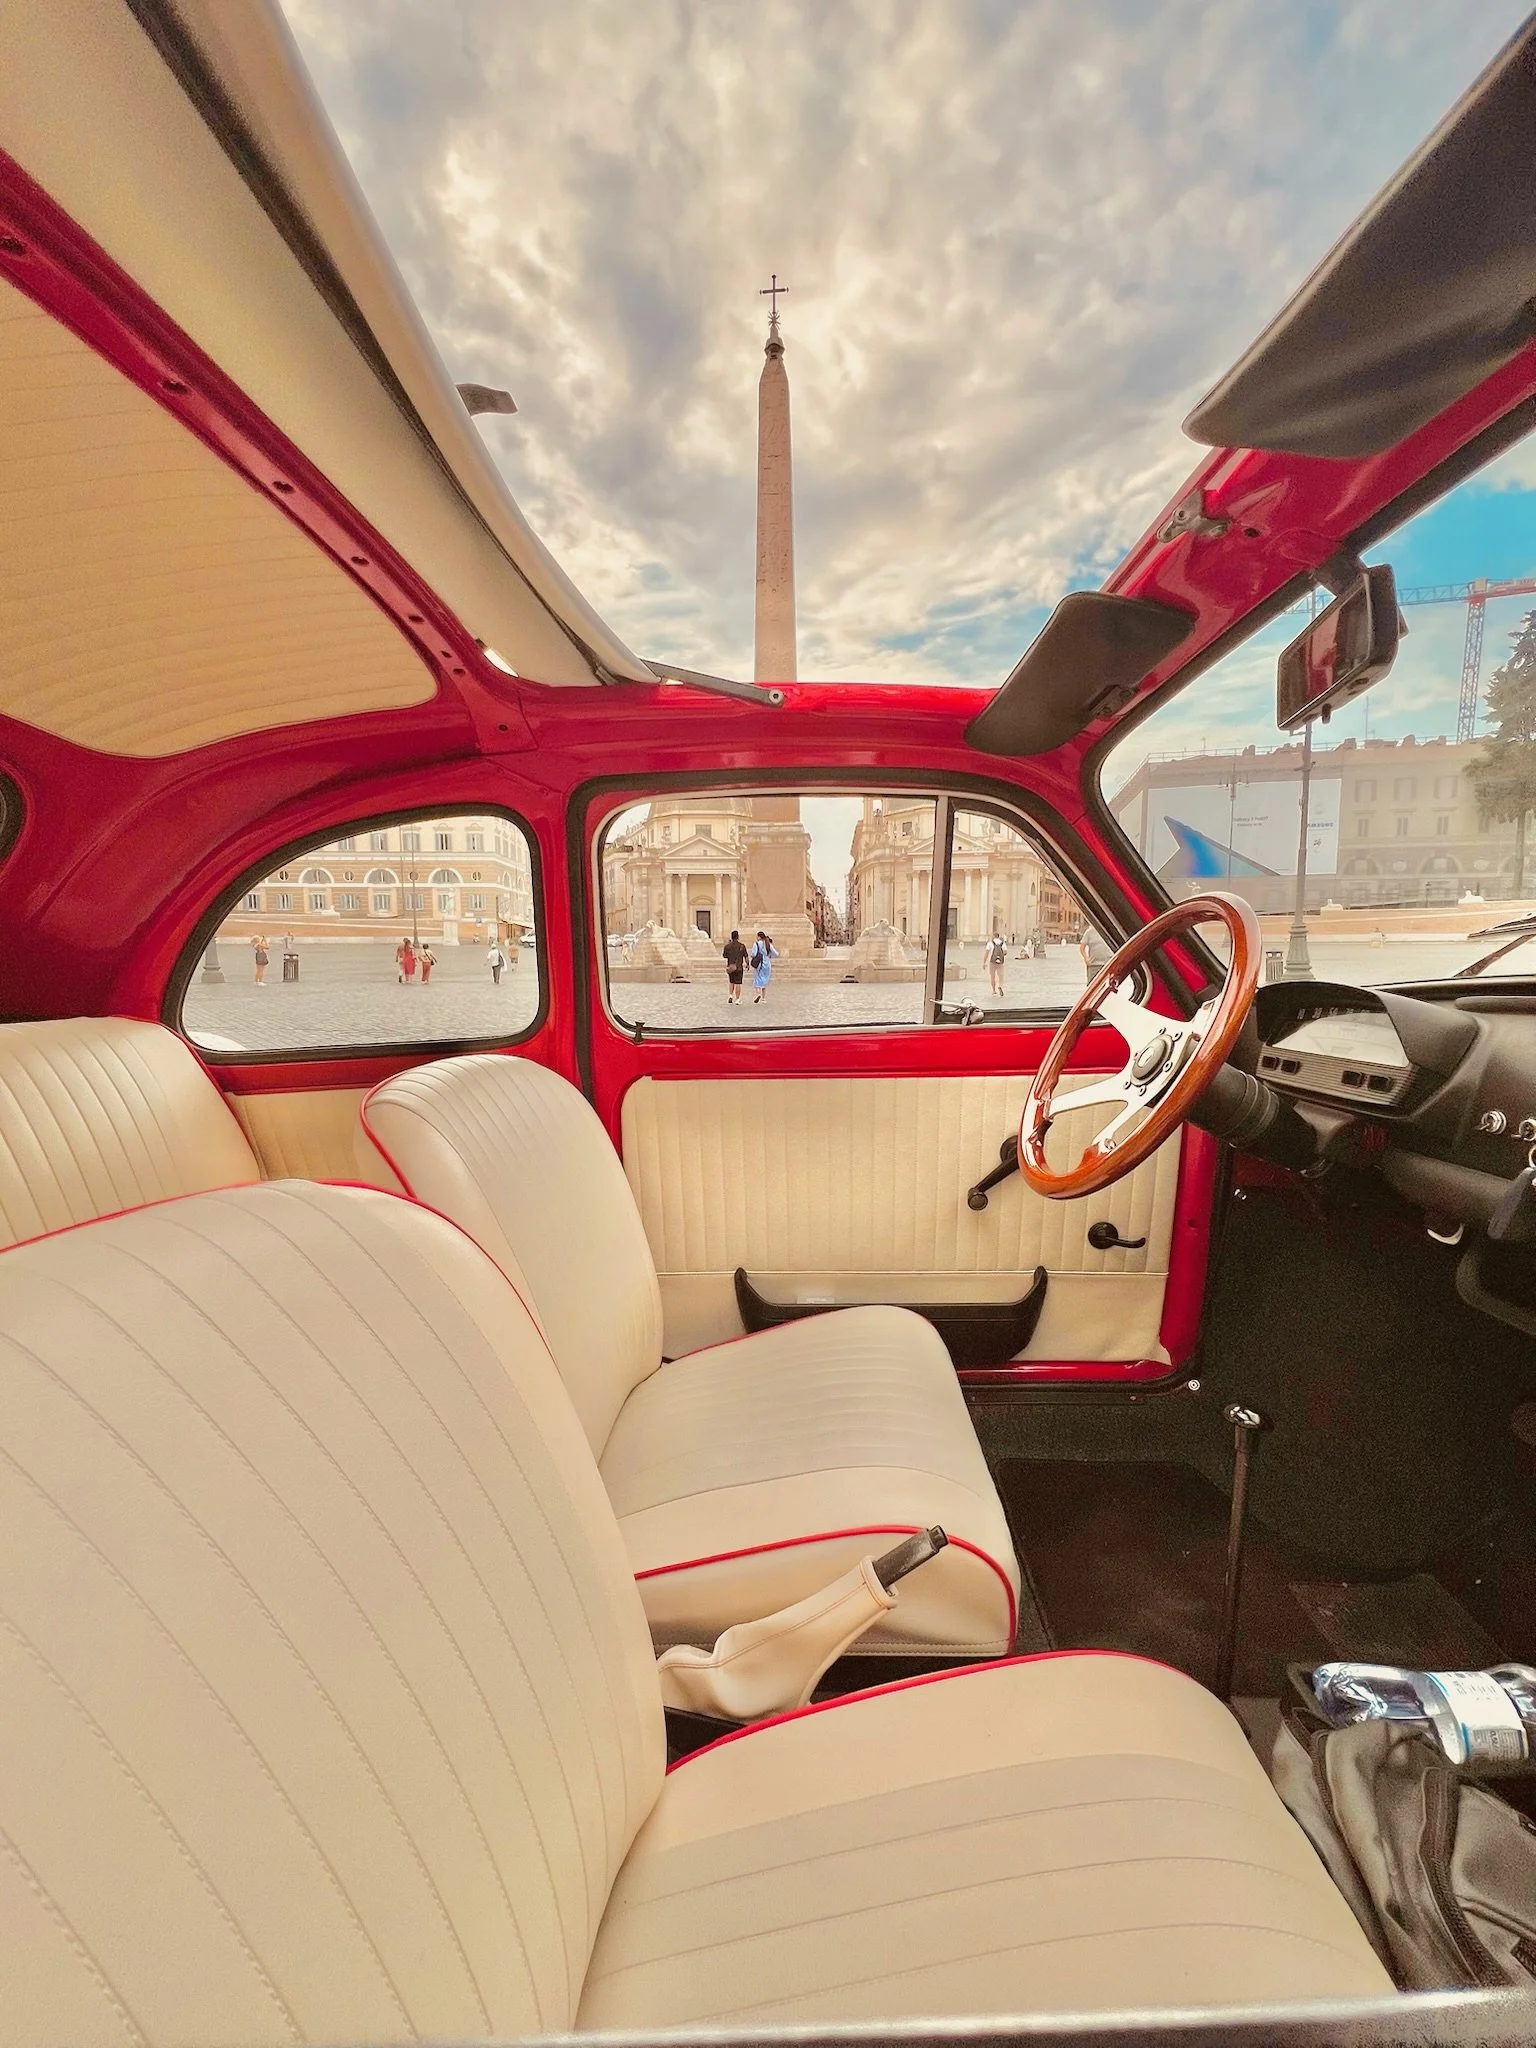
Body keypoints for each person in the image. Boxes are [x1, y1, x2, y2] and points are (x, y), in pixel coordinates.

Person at [750, 929, 778, 1002]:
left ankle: (758, 993)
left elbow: (753, 953)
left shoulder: (756, 944)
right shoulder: (768, 944)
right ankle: (763, 998)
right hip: (767, 962)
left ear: (759, 937)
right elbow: (776, 953)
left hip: (759, 962)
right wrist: (770, 956)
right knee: (765, 979)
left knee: (757, 978)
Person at [722, 927, 748, 1003]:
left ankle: (730, 995)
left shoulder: (727, 946)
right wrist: (747, 964)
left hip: (731, 967)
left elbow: (724, 956)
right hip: (739, 967)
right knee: (738, 983)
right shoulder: (742, 946)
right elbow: (746, 956)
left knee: (731, 982)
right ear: (738, 937)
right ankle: (737, 999)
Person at [985, 932, 1006, 996]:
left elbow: (986, 953)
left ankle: (994, 990)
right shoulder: (1003, 943)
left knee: (992, 976)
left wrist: (984, 962)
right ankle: (1000, 986)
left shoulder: (990, 943)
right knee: (1000, 976)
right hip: (1000, 962)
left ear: (993, 936)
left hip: (992, 962)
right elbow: (1005, 952)